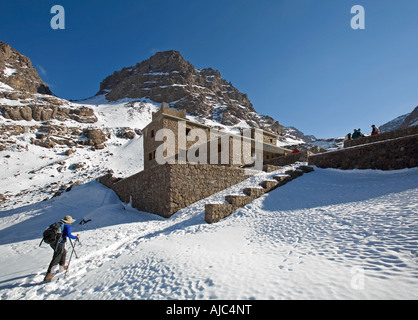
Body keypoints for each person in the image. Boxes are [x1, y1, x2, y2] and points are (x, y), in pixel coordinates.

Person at [44, 215, 79, 282]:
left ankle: (62, 266)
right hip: (59, 243)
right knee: (57, 257)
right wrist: (76, 237)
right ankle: (49, 275)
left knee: (63, 252)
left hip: (53, 242)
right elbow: (69, 235)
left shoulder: (59, 224)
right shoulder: (67, 226)